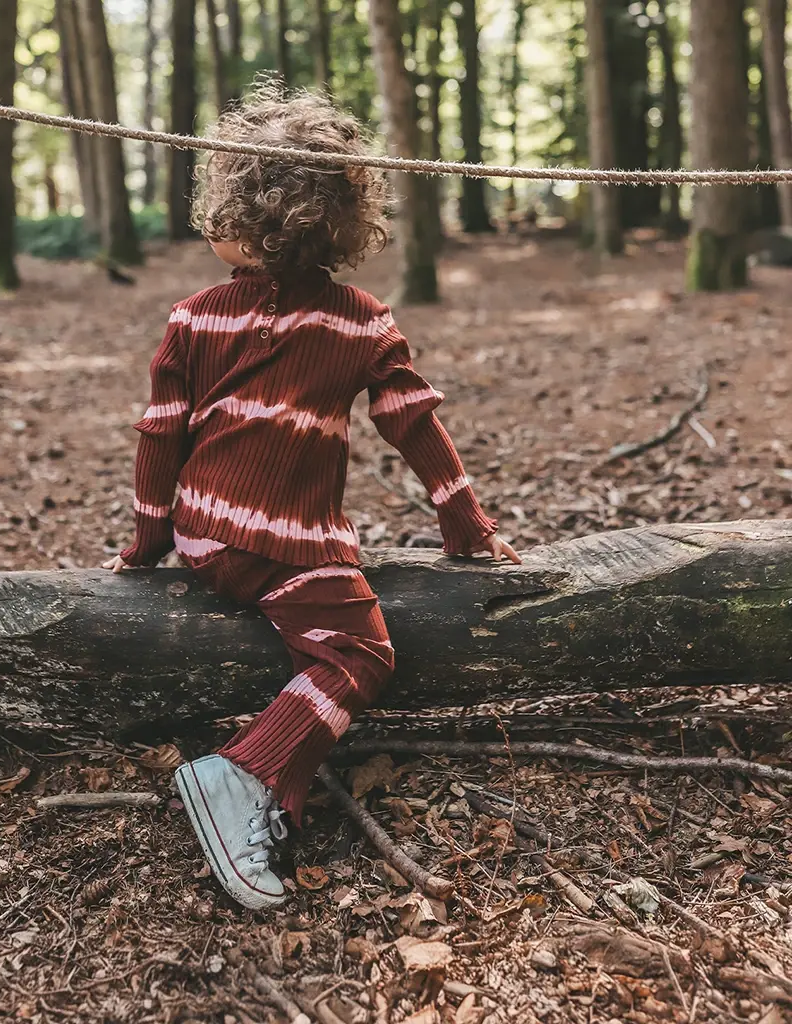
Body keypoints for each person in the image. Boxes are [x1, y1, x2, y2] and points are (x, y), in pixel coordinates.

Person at [108, 86, 521, 911]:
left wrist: (151, 540)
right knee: (360, 653)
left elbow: (160, 435)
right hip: (285, 542)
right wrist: (464, 520)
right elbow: (414, 423)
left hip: (211, 536)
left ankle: (272, 791)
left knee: (320, 649)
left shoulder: (193, 317)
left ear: (242, 214)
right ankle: (238, 773)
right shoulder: (361, 321)